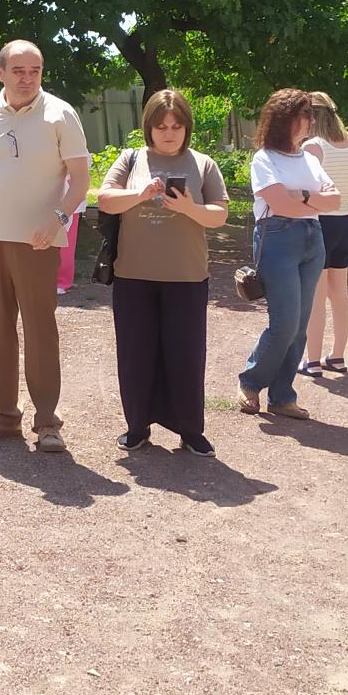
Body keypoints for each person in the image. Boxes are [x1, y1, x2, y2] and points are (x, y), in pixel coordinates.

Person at [0, 40, 91, 453]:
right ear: (0, 72)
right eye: (18, 70)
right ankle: (2, 417)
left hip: (39, 241)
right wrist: (1, 213)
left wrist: (56, 219)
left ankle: (47, 420)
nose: (27, 78)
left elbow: (81, 180)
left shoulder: (60, 114)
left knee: (40, 331)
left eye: (34, 70)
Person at [95, 90, 229, 455]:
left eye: (177, 126)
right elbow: (105, 199)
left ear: (187, 128)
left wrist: (189, 207)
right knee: (136, 353)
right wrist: (140, 193)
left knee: (186, 355)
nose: (169, 133)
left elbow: (219, 216)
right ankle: (136, 426)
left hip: (186, 277)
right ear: (149, 128)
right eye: (161, 126)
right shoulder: (131, 158)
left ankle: (190, 430)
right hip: (133, 276)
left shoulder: (203, 163)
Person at [236, 89, 340, 419]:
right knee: (284, 322)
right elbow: (278, 203)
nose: (311, 121)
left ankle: (282, 397)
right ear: (285, 119)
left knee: (300, 324)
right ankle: (251, 381)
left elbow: (335, 200)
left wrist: (302, 194)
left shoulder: (309, 158)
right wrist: (312, 198)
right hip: (277, 236)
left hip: (312, 237)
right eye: (305, 115)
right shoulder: (265, 158)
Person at [298, 92, 348, 378]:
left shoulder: (314, 146)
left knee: (316, 295)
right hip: (344, 221)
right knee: (339, 293)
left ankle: (312, 360)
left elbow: (304, 185)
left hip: (320, 222)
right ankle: (337, 356)